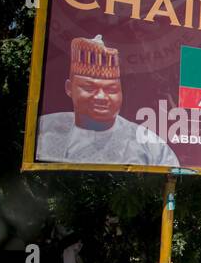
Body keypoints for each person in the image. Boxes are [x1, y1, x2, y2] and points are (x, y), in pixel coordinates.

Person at [36, 35, 178, 166]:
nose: (101, 97)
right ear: (69, 88)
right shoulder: (44, 128)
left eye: (111, 90)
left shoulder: (150, 144)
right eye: (89, 88)